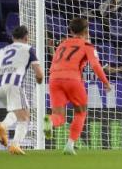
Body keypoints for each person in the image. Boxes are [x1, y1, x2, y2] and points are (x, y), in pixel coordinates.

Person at [43, 18, 112, 155]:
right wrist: (105, 82)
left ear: (72, 31)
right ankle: (70, 145)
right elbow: (95, 65)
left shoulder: (62, 44)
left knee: (59, 117)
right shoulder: (87, 45)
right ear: (86, 31)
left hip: (54, 79)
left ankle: (50, 121)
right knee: (80, 112)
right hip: (73, 79)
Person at [0, 26, 44, 155]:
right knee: (25, 118)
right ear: (26, 38)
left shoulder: (2, 50)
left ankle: (3, 126)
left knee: (16, 113)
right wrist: (39, 81)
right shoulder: (28, 48)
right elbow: (39, 74)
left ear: (12, 38)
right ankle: (15, 144)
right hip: (14, 85)